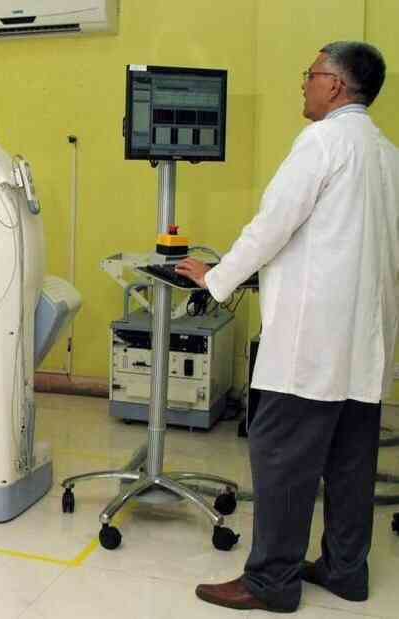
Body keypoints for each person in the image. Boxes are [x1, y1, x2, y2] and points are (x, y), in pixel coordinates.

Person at [174, 42, 398, 613]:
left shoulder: (322, 142)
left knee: (282, 457)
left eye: (311, 74)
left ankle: (272, 581)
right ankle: (346, 570)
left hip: (311, 342)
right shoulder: (386, 153)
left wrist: (216, 277)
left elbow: (271, 225)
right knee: (351, 461)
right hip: (366, 342)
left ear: (335, 86)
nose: (304, 83)